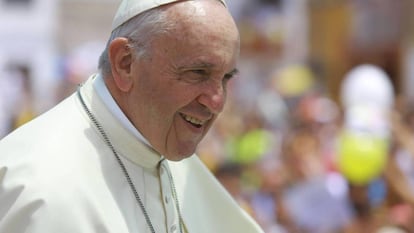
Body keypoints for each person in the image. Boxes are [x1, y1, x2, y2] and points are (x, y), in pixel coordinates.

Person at [0, 0, 264, 232]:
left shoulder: (164, 148)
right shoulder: (41, 190)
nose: (217, 102)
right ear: (125, 63)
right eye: (197, 73)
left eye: (226, 78)